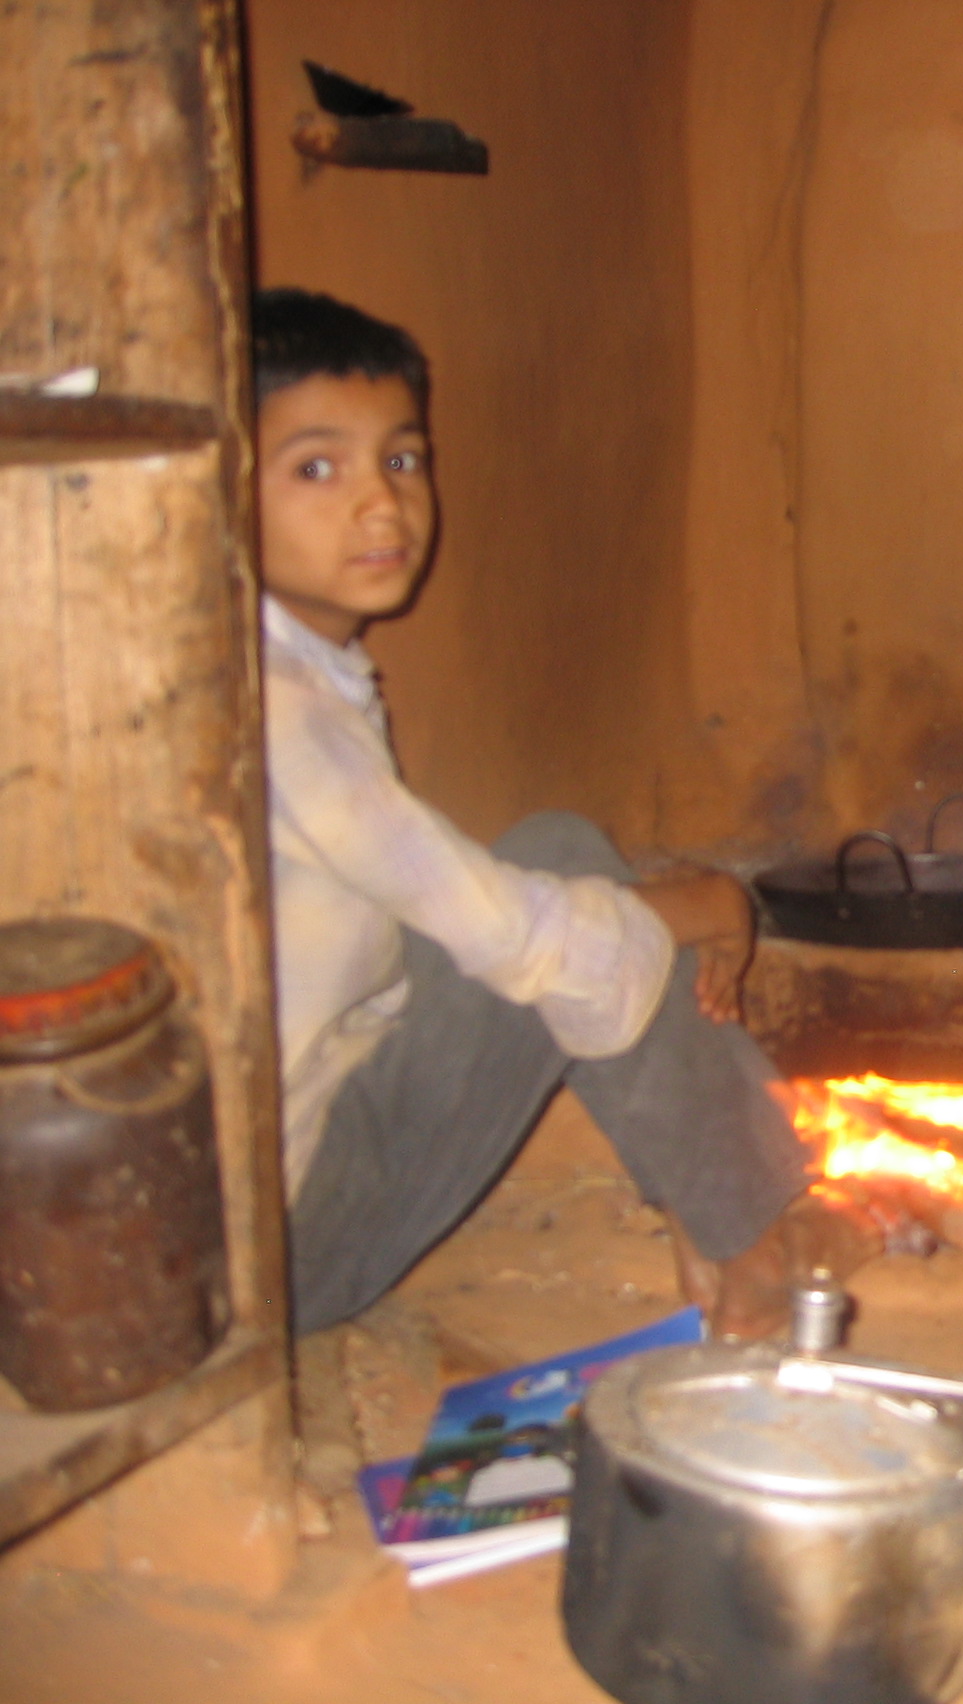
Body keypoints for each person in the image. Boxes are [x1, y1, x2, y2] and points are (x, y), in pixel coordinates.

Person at [254, 288, 848, 1336]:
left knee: (566, 885)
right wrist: (704, 901)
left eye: (401, 458)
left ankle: (724, 1205)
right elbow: (516, 936)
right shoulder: (278, 714)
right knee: (565, 878)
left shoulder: (275, 663)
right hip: (279, 1252)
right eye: (315, 468)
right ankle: (753, 1239)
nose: (380, 506)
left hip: (233, 1210)